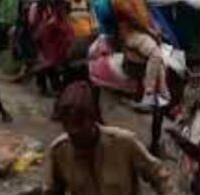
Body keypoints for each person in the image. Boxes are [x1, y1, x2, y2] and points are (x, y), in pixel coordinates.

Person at [43, 81, 177, 195]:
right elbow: (52, 190)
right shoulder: (59, 151)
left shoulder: (124, 142)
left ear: (92, 118)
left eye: (79, 126)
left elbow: (159, 175)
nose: (74, 134)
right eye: (68, 127)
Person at [111, 0, 170, 109]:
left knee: (160, 59)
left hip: (142, 32)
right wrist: (151, 32)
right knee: (156, 54)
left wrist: (156, 29)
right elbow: (134, 19)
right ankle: (149, 93)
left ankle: (163, 93)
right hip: (131, 34)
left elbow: (147, 15)